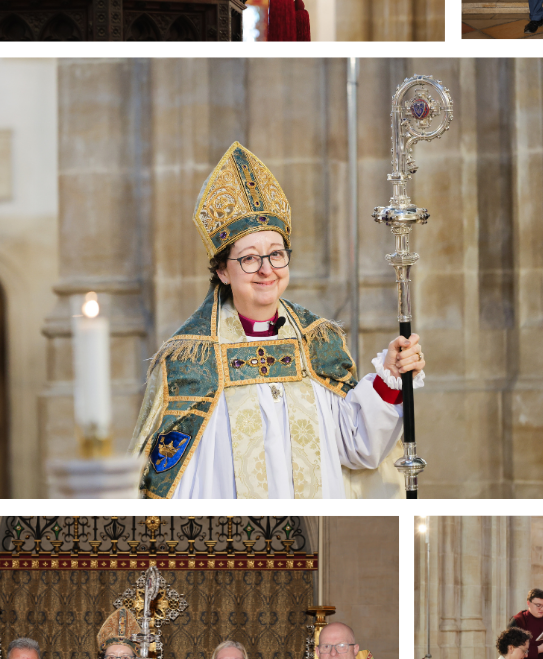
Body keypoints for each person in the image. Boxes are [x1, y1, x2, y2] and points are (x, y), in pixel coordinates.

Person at [133, 140, 423, 498]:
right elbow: (173, 482)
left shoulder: (316, 342)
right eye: (250, 259)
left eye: (276, 254)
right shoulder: (192, 361)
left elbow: (357, 446)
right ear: (223, 271)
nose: (267, 270)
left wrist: (390, 376)